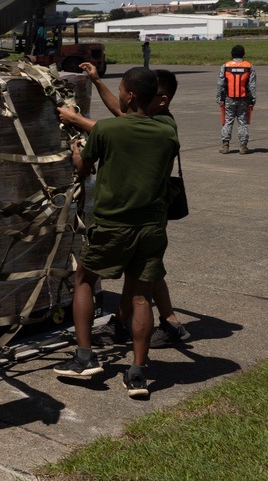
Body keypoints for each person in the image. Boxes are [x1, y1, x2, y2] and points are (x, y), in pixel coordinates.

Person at [55, 67, 178, 399]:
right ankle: (137, 374)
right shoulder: (168, 130)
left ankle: (84, 357)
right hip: (152, 228)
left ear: (131, 95)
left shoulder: (107, 132)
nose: (120, 95)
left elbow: (84, 167)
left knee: (84, 280)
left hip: (112, 226)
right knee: (140, 297)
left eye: (121, 90)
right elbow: (125, 119)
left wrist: (77, 150)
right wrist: (97, 81)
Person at [217, 44, 256, 155]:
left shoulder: (225, 66)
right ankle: (243, 146)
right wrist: (253, 100)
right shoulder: (249, 66)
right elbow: (252, 86)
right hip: (244, 99)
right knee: (243, 123)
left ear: (232, 54)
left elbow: (220, 84)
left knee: (228, 121)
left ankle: (225, 145)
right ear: (243, 54)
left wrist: (220, 98)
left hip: (229, 98)